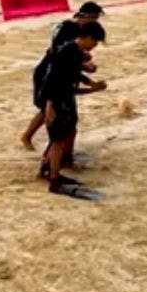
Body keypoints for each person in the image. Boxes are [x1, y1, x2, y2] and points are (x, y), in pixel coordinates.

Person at [21, 1, 104, 151]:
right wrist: (87, 72)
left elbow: (67, 59)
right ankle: (43, 147)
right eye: (95, 19)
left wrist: (84, 64)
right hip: (49, 75)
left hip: (57, 73)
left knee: (51, 109)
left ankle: (42, 144)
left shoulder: (72, 29)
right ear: (86, 17)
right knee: (51, 110)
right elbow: (60, 58)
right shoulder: (70, 30)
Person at [40, 21, 107, 192]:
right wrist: (49, 105)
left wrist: (92, 84)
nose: (94, 46)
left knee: (61, 138)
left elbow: (75, 73)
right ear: (89, 38)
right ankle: (53, 179)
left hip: (63, 98)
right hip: (57, 99)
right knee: (57, 141)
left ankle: (50, 171)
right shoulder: (68, 51)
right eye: (95, 42)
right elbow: (51, 79)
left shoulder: (74, 51)